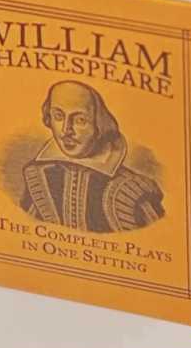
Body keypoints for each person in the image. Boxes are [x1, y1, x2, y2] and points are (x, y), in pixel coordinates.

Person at [20, 80, 165, 233]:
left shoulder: (129, 190)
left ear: (99, 124)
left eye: (80, 120)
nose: (66, 130)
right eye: (58, 116)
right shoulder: (38, 177)